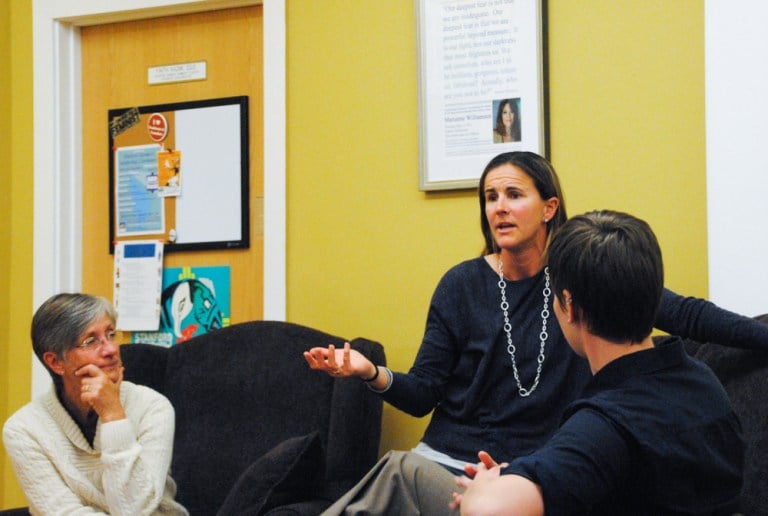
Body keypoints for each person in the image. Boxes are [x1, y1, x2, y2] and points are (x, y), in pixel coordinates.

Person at [303, 151, 767, 515]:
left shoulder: (587, 279)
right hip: (457, 460)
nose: (499, 208)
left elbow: (690, 315)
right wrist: (372, 373)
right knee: (402, 471)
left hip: (534, 472)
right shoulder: (461, 285)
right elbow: (424, 391)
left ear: (549, 207)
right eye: (490, 198)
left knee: (398, 472)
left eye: (513, 194)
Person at [454, 210, 744, 514]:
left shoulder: (606, 424)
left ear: (570, 306)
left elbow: (489, 509)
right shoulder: (705, 381)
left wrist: (481, 488)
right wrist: (527, 475)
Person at [2, 293, 188, 515]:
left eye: (111, 334)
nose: (110, 349)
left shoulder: (153, 407)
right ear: (55, 362)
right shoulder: (24, 429)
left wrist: (112, 415)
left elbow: (135, 509)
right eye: (90, 341)